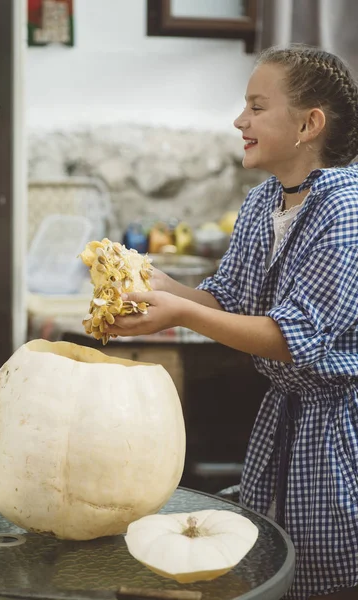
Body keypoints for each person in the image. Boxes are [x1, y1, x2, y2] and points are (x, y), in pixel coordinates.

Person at [107, 45, 358, 600]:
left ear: (309, 124)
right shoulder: (264, 201)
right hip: (284, 422)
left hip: (338, 430)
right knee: (276, 572)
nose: (239, 120)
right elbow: (230, 302)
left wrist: (181, 312)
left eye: (256, 107)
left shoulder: (346, 209)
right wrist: (160, 287)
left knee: (328, 579)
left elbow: (293, 338)